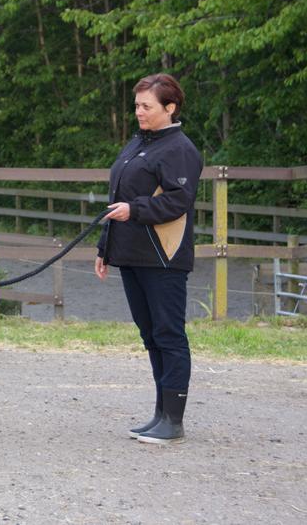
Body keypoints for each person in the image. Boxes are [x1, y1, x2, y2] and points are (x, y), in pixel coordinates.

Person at [94, 73, 203, 445]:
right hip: (132, 254)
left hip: (163, 257)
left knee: (169, 334)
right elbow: (117, 196)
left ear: (169, 108)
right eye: (137, 105)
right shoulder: (139, 143)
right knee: (150, 335)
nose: (138, 112)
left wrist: (134, 210)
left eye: (146, 106)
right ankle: (160, 413)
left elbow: (177, 201)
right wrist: (104, 248)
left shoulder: (180, 150)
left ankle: (174, 419)